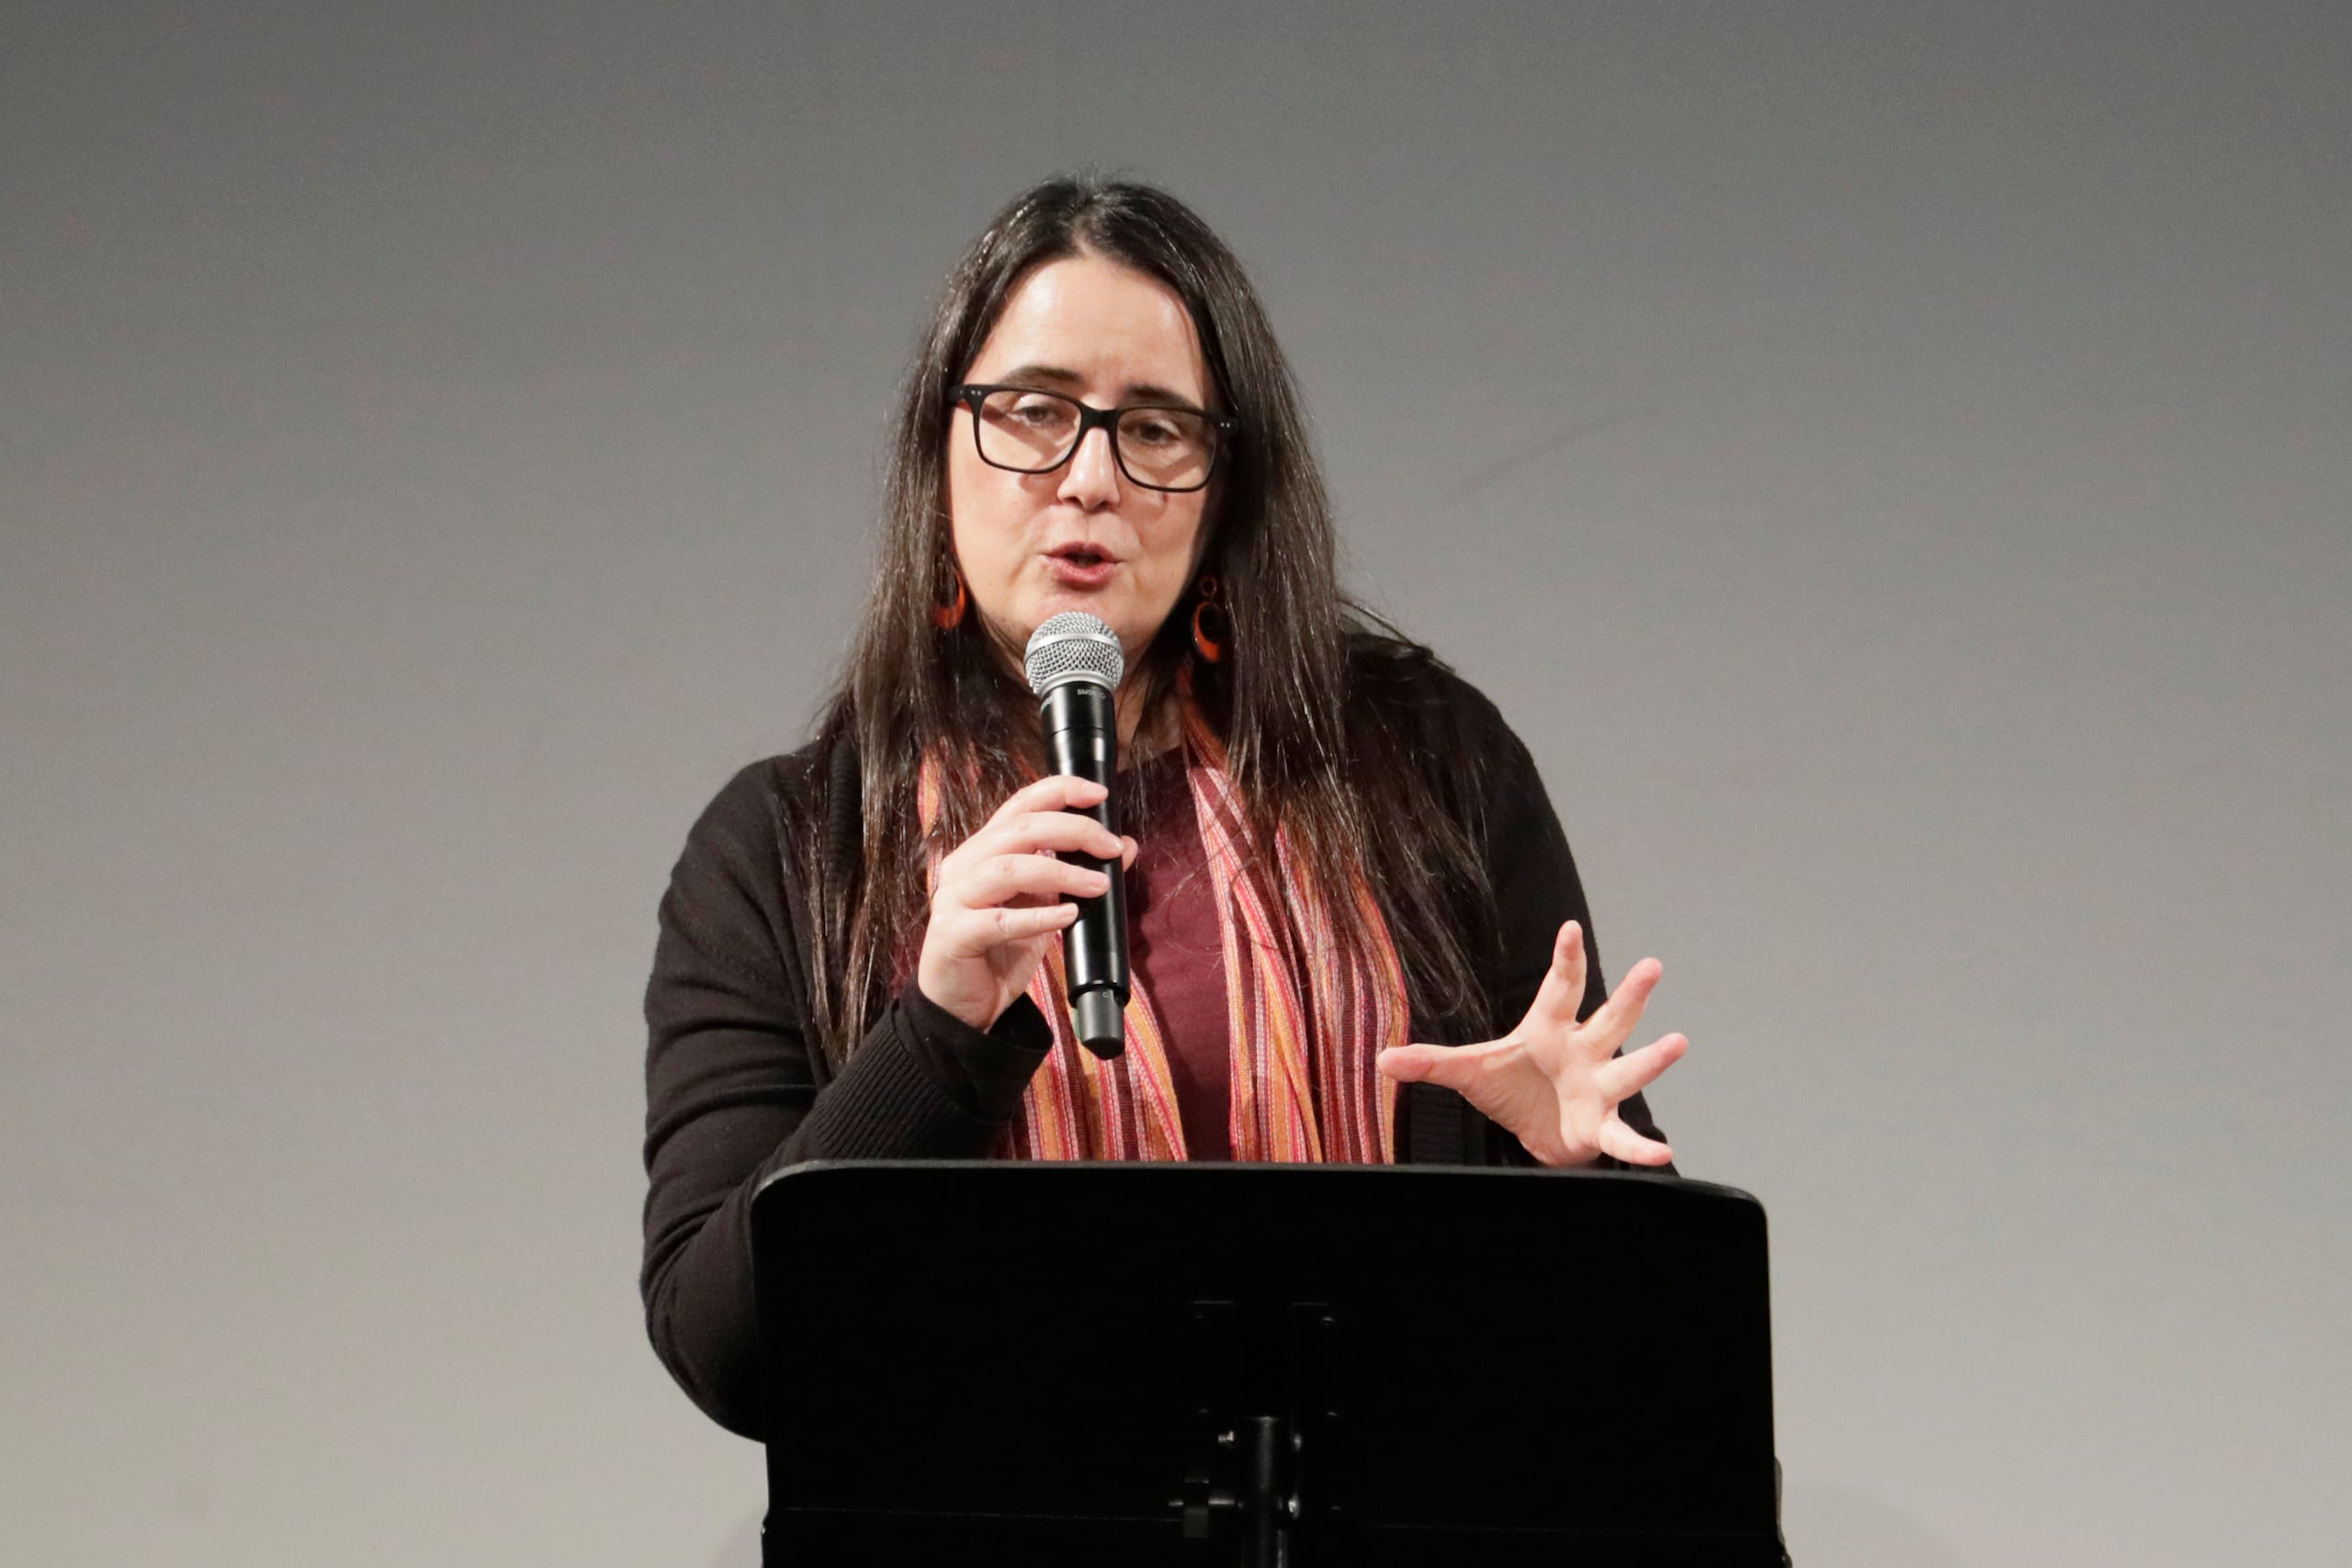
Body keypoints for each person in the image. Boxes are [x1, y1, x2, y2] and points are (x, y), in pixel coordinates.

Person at [640, 176, 1686, 1438]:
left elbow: (1649, 1335)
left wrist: (1572, 1174)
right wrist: (938, 1029)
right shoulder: (786, 847)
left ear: (1226, 488)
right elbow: (728, 1352)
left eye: (1155, 431)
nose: (1087, 479)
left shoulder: (1424, 763)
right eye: (1031, 413)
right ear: (939, 452)